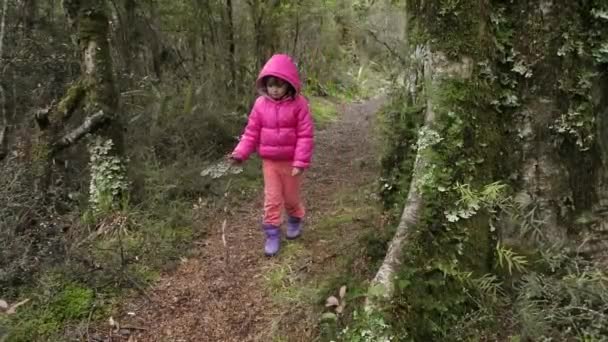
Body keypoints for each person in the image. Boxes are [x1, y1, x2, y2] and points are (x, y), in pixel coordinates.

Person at [229, 54, 314, 256]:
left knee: (291, 198)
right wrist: (240, 153)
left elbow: (305, 135)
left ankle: (295, 219)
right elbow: (251, 133)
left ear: (289, 84)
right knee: (272, 198)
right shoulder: (260, 104)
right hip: (270, 162)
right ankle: (272, 233)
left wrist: (300, 161)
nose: (274, 88)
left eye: (279, 84)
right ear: (264, 84)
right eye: (270, 84)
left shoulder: (299, 104)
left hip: (291, 162)